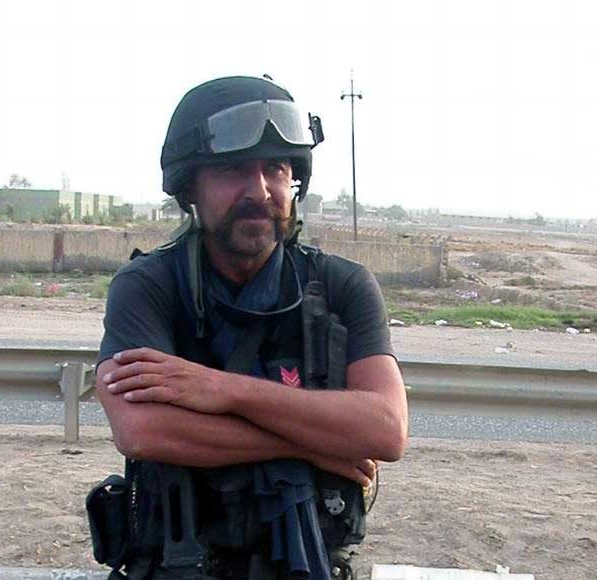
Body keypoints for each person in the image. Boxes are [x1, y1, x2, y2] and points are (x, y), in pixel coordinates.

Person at [89, 75, 408, 580]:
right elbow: (142, 429)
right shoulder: (148, 286)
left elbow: (385, 430)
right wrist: (311, 444)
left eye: (276, 169)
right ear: (190, 186)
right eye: (233, 169)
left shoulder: (342, 286)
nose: (259, 190)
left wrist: (219, 389)